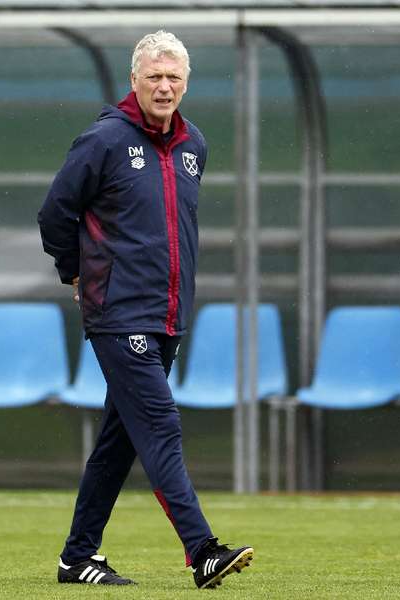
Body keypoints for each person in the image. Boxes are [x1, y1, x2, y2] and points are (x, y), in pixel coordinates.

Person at [37, 31, 253, 588]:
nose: (164, 86)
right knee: (160, 425)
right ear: (134, 80)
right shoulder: (104, 140)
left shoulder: (193, 146)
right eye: (154, 76)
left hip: (168, 316)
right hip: (119, 314)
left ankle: (76, 557)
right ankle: (202, 549)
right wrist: (75, 272)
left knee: (122, 437)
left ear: (186, 83)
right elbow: (55, 212)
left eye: (174, 77)